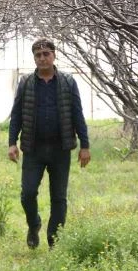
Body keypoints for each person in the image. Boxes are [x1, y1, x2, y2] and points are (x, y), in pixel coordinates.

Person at [8, 38, 91, 249]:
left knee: (59, 198)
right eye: (38, 55)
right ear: (34, 58)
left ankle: (54, 241)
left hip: (60, 149)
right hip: (33, 149)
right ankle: (33, 224)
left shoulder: (67, 82)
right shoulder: (26, 83)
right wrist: (12, 143)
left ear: (54, 55)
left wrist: (85, 145)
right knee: (27, 194)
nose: (42, 58)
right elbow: (16, 114)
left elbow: (77, 114)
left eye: (46, 54)